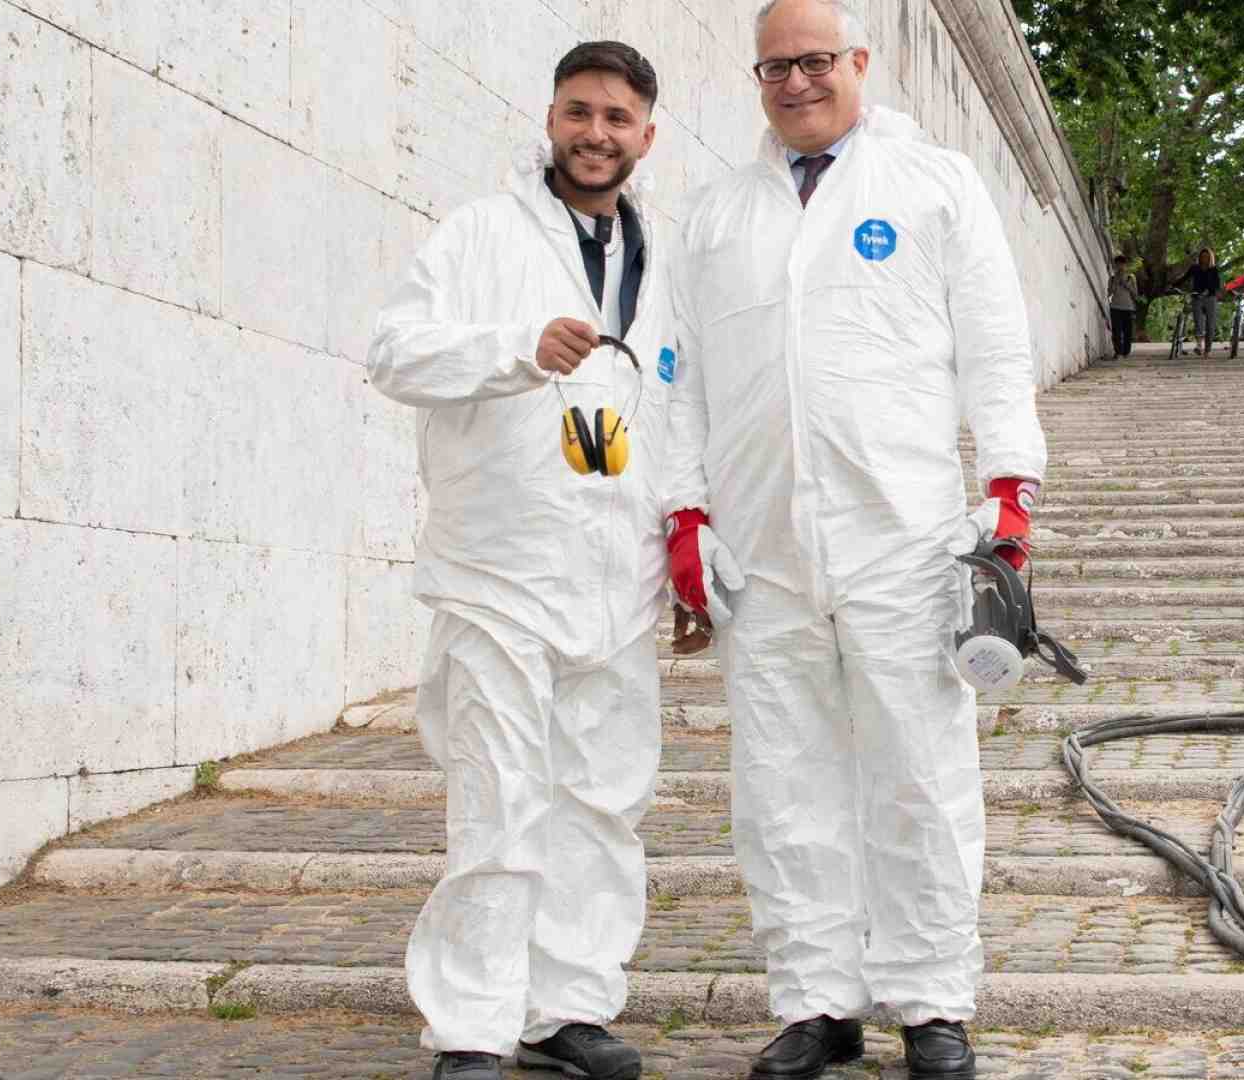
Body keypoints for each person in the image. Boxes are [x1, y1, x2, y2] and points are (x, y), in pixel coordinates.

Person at [664, 2, 1049, 1077]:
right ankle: (816, 1002)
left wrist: (1011, 488)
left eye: (815, 60)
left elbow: (995, 344)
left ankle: (931, 1000)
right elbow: (677, 377)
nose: (796, 82)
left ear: (859, 63)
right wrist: (684, 511)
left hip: (904, 539)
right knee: (783, 781)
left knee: (920, 770)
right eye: (775, 66)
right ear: (757, 77)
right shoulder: (716, 216)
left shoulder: (933, 184)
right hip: (765, 547)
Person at [367, 40, 674, 1080]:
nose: (596, 134)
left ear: (646, 134)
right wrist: (511, 350)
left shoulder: (662, 258)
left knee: (601, 800)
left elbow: (683, 410)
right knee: (497, 795)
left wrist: (686, 541)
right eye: (579, 112)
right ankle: (474, 1023)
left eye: (617, 118)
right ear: (550, 116)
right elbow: (393, 352)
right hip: (500, 568)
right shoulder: (479, 236)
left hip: (616, 573)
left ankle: (569, 1007)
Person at [1173, 247, 1222, 356]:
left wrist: (1208, 291)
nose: (1204, 258)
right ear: (1199, 258)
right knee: (1198, 322)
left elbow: (1217, 285)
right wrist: (1174, 285)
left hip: (1210, 298)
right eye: (1202, 256)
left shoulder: (1214, 269)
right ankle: (1200, 345)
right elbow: (1184, 278)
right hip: (1197, 297)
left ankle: (1208, 349)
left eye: (1206, 257)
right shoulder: (1194, 268)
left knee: (1210, 324)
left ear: (1210, 258)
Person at [1108, 254, 1138, 357]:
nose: (1120, 267)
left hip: (1128, 307)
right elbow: (1109, 293)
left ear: (1125, 265)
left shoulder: (1131, 277)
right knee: (1116, 331)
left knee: (1127, 331)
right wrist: (1116, 282)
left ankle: (1126, 352)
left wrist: (1126, 284)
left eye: (1122, 264)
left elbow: (1135, 294)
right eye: (1117, 265)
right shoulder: (1112, 278)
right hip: (1115, 307)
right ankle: (1118, 352)